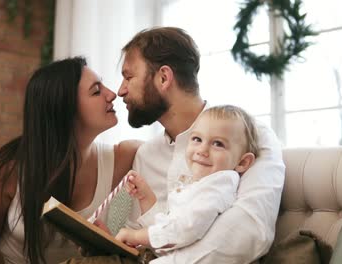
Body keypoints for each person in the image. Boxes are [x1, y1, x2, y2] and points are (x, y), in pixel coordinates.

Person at [0, 57, 141, 264]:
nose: (112, 94)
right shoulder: (13, 166)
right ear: (64, 107)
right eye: (96, 91)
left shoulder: (123, 158)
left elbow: (172, 140)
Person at [117, 26, 285, 263]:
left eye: (128, 76)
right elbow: (141, 235)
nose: (120, 90)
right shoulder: (146, 155)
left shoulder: (254, 138)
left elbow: (249, 233)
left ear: (164, 78)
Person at [115, 105, 260, 263]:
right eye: (197, 139)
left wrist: (136, 236)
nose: (202, 150)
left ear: (243, 162)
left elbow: (185, 229)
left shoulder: (219, 185)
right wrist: (144, 196)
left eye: (218, 144)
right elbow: (170, 226)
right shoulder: (202, 183)